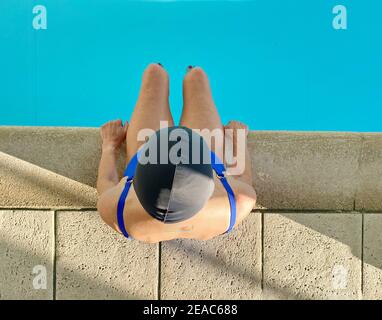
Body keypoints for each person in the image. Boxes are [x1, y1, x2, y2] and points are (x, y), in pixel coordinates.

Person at [96, 64, 256, 243]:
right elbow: (243, 177)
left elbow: (106, 183)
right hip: (205, 152)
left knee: (154, 73)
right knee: (197, 77)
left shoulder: (120, 211)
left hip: (155, 148)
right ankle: (192, 73)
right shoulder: (234, 205)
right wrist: (238, 141)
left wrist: (110, 145)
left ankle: (161, 71)